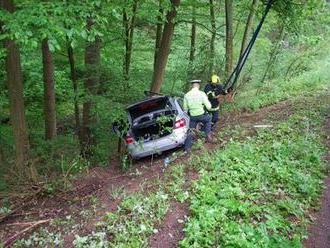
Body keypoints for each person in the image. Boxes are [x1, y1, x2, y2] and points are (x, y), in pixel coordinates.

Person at [183, 79, 213, 152]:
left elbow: (185, 109)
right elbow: (209, 107)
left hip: (193, 117)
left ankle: (187, 148)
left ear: (192, 86)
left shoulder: (186, 95)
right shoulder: (202, 93)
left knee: (190, 130)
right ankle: (208, 135)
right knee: (208, 119)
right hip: (201, 115)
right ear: (198, 85)